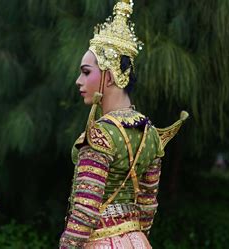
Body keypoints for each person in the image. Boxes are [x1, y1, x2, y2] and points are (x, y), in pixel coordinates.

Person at [59, 0, 188, 248]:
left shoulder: (99, 136)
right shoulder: (151, 133)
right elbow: (148, 205)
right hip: (138, 240)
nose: (78, 80)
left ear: (109, 75)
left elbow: (84, 213)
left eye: (86, 72)